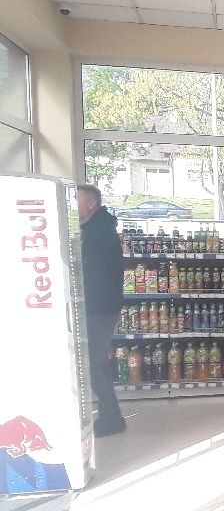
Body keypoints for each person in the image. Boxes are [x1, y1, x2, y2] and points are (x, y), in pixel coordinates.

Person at [78, 184, 126, 436]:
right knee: (95, 361)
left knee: (92, 362)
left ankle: (112, 418)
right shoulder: (94, 228)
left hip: (100, 307)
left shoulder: (99, 232)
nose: (73, 205)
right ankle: (110, 415)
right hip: (100, 305)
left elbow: (93, 272)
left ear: (91, 204)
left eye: (77, 200)